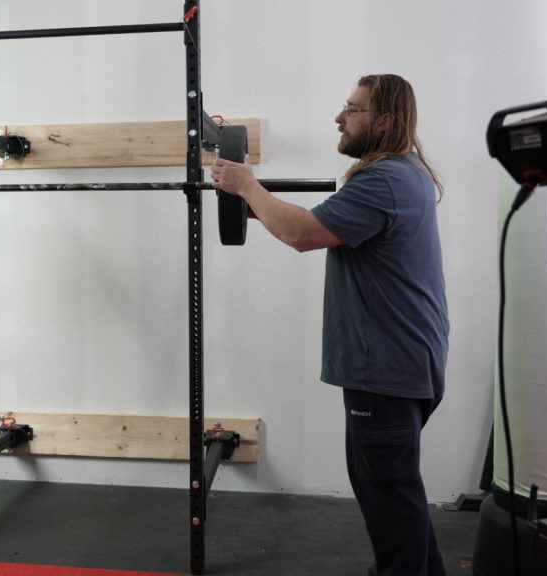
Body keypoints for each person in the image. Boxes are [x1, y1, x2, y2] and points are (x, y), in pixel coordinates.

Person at [210, 74, 449, 576]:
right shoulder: (403, 174)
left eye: (352, 109)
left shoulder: (383, 180)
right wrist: (245, 190)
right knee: (395, 491)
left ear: (383, 120)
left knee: (388, 496)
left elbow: (301, 233)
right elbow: (309, 221)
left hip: (384, 366)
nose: (339, 118)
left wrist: (247, 185)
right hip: (400, 363)